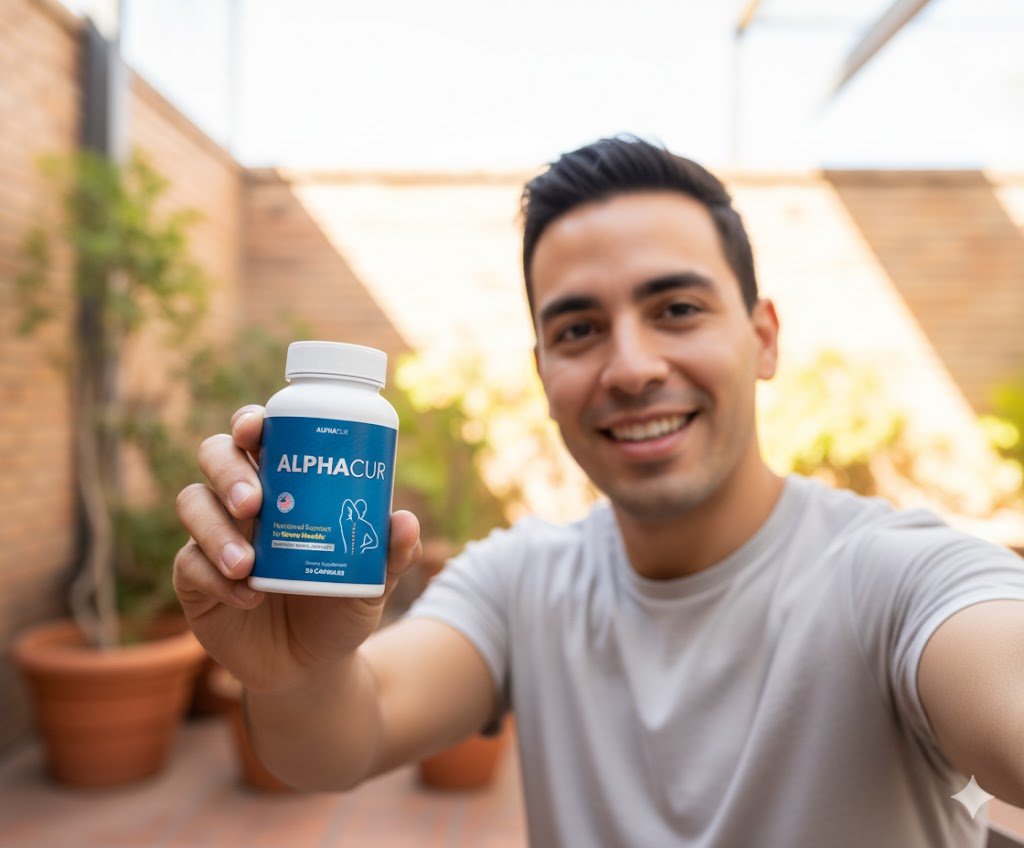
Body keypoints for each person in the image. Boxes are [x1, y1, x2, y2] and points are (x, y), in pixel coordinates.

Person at [174, 136, 1024, 847]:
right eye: (579, 330)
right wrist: (295, 671)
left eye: (678, 309)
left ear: (762, 339)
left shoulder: (898, 575)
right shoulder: (522, 583)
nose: (630, 367)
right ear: (544, 374)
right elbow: (340, 742)